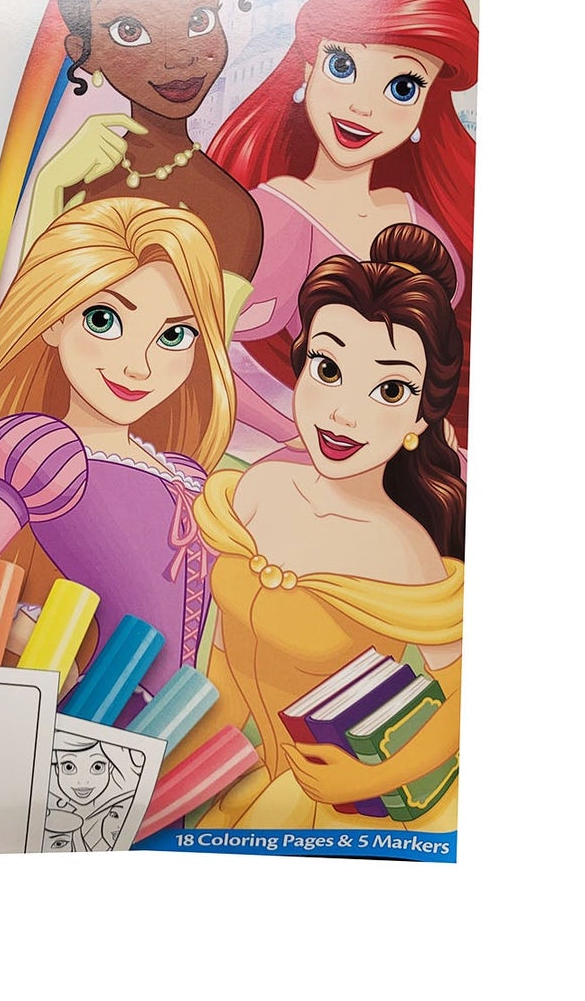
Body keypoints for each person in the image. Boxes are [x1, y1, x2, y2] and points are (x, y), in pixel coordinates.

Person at [191, 224, 465, 831]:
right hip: (236, 772)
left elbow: (464, 693)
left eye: (388, 389)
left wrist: (366, 777)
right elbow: (224, 670)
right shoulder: (259, 488)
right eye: (328, 368)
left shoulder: (403, 549)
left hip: (339, 803)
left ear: (421, 417)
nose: (344, 412)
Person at [0, 197, 234, 705]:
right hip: (88, 712)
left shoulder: (188, 475)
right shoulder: (42, 451)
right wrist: (43, 649)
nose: (138, 366)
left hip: (172, 723)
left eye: (175, 335)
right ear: (53, 319)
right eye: (104, 319)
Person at [207, 0, 477, 449]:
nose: (362, 107)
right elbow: (206, 353)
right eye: (343, 67)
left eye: (402, 87)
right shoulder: (278, 217)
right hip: (325, 445)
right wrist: (291, 432)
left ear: (425, 105)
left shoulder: (416, 217)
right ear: (307, 68)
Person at [21, 0, 262, 304]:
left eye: (199, 18)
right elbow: (25, 325)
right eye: (130, 29)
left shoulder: (231, 212)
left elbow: (211, 353)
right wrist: (50, 186)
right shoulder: (74, 177)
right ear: (83, 52)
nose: (178, 57)